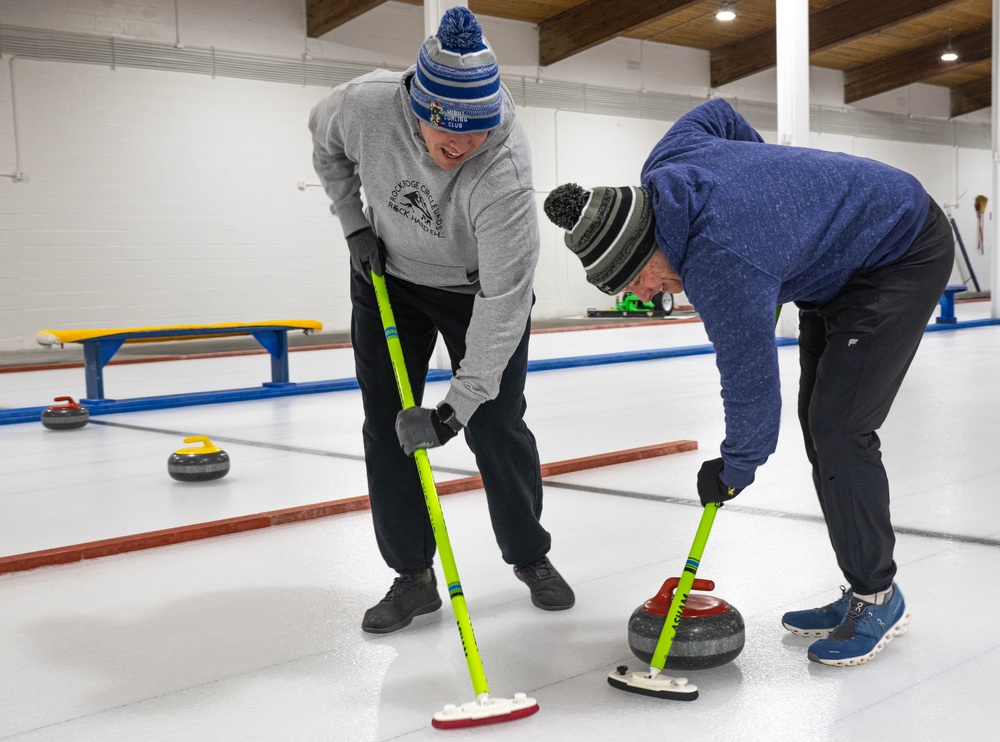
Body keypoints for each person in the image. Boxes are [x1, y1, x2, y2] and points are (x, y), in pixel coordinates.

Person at [543, 97, 954, 667]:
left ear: (647, 242)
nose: (656, 292)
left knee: (840, 429)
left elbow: (750, 377)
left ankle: (878, 597)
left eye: (642, 277)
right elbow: (719, 112)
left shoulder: (721, 261)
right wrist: (782, 200)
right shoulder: (670, 161)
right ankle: (862, 589)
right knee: (822, 426)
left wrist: (736, 466)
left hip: (900, 247)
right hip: (835, 265)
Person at [309, 7, 574, 634]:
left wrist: (453, 411)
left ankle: (529, 556)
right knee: (389, 425)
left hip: (475, 290)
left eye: (476, 135)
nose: (461, 148)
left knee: (497, 424)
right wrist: (352, 223)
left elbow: (507, 296)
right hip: (387, 277)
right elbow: (326, 148)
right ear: (414, 108)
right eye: (446, 134)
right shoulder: (363, 106)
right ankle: (413, 577)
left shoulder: (505, 170)